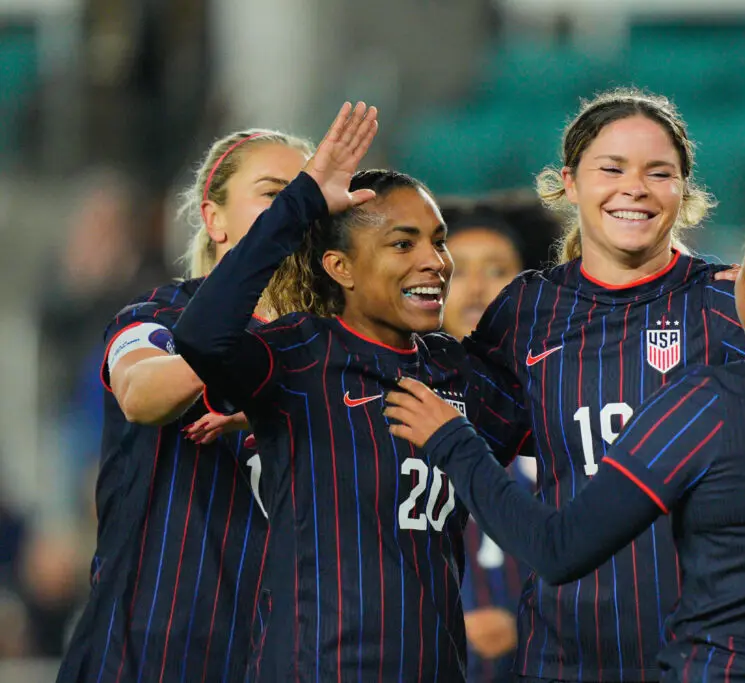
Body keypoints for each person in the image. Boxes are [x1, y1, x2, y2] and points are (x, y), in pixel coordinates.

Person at [445, 88, 745, 682]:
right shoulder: (526, 310)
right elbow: (473, 458)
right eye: (612, 168)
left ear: (685, 187)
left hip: (711, 659)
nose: (635, 187)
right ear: (569, 182)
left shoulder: (734, 302)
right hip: (565, 658)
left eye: (658, 172)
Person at [171, 102, 530, 682]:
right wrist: (302, 200)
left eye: (438, 243)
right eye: (402, 244)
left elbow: (557, 423)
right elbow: (201, 336)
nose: (435, 262)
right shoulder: (298, 354)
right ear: (340, 266)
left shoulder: (456, 371)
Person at [57, 128, 312, 682]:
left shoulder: (332, 347)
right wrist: (242, 369)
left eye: (308, 196)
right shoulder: (158, 315)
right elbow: (142, 395)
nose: (296, 213)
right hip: (150, 653)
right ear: (214, 219)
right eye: (275, 195)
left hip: (288, 654)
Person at [440, 201, 531, 683]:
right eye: (456, 271)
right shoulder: (388, 402)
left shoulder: (563, 405)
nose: (476, 288)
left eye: (496, 270)